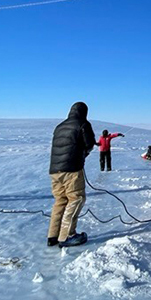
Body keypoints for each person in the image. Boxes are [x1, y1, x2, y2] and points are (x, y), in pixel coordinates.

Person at [47, 102, 96, 248]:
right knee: (76, 199)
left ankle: (53, 235)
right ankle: (68, 235)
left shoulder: (60, 126)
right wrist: (83, 154)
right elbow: (90, 144)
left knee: (60, 201)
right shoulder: (83, 124)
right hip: (72, 170)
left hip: (55, 170)